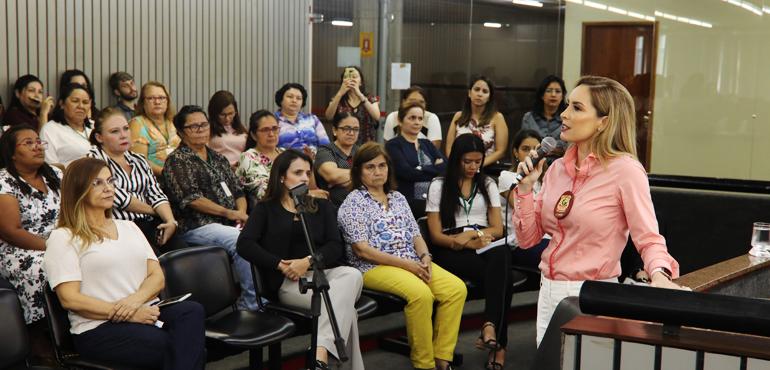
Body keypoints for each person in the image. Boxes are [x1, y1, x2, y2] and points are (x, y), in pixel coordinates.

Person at [513, 75, 686, 347]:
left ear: (603, 122)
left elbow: (649, 238)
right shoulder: (557, 169)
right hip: (547, 291)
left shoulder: (625, 171)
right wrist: (525, 189)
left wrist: (660, 277)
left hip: (592, 296)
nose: (564, 114)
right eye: (568, 105)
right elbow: (527, 239)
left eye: (577, 108)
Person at [43, 157, 206, 369]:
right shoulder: (63, 237)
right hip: (98, 326)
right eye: (97, 183)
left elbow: (156, 277)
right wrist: (131, 313)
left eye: (110, 181)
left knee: (192, 310)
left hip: (145, 309)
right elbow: (70, 300)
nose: (109, 188)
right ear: (77, 189)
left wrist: (134, 303)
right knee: (182, 347)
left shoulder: (129, 226)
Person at [338, 142, 466, 370]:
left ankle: (442, 357)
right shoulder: (353, 203)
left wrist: (425, 256)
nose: (378, 172)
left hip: (411, 261)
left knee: (455, 289)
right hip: (372, 267)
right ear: (358, 171)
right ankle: (424, 364)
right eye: (370, 167)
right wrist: (407, 265)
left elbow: (415, 234)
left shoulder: (397, 197)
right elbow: (362, 250)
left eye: (382, 166)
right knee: (421, 295)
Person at [237, 149, 364, 370]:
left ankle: (319, 354)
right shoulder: (266, 209)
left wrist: (307, 261)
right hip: (291, 282)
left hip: (324, 275)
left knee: (352, 274)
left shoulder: (321, 205)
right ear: (281, 177)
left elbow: (335, 245)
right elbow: (244, 244)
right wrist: (281, 264)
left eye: (307, 172)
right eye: (298, 172)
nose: (305, 178)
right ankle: (323, 359)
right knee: (345, 308)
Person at [425, 133, 509, 370]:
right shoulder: (439, 185)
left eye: (478, 161)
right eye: (467, 162)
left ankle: (491, 326)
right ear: (456, 159)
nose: (474, 167)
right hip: (451, 246)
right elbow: (435, 235)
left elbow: (497, 228)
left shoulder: (488, 184)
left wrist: (473, 235)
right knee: (505, 278)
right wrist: (462, 241)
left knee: (501, 253)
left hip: (482, 237)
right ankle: (497, 343)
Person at [162, 105, 258, 310]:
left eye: (204, 124)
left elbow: (238, 192)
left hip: (229, 222)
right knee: (240, 241)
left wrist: (240, 213)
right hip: (197, 226)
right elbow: (191, 199)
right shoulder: (177, 161)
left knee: (260, 233)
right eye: (193, 126)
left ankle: (267, 295)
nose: (201, 130)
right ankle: (251, 303)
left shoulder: (219, 158)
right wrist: (229, 213)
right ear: (180, 131)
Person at [87, 108, 188, 256]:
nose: (123, 135)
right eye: (115, 131)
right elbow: (119, 198)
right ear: (99, 137)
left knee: (184, 253)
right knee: (154, 260)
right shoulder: (93, 161)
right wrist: (155, 212)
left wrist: (171, 222)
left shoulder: (139, 159)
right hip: (118, 228)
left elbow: (156, 193)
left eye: (126, 129)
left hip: (149, 224)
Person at [0, 124, 62, 359]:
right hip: (18, 250)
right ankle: (36, 335)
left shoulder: (56, 175)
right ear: (12, 153)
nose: (38, 146)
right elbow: (10, 231)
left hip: (60, 242)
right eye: (28, 143)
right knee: (41, 267)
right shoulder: (4, 181)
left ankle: (76, 329)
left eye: (39, 141)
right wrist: (55, 248)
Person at [236, 110, 328, 209]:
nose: (271, 134)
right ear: (254, 135)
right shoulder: (248, 157)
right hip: (268, 211)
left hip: (296, 207)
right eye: (265, 130)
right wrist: (309, 194)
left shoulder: (285, 153)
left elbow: (309, 187)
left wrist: (309, 165)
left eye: (275, 129)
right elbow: (266, 193)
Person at [498, 130, 550, 270]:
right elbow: (529, 213)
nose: (530, 153)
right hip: (521, 242)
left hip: (549, 238)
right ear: (515, 151)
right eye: (525, 149)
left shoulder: (548, 177)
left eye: (535, 149)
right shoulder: (508, 177)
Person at [385, 101, 447, 219]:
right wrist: (434, 171)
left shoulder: (427, 143)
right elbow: (406, 173)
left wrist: (420, 169)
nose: (417, 122)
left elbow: (446, 167)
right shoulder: (393, 145)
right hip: (409, 203)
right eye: (412, 118)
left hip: (436, 199)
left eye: (420, 118)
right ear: (400, 120)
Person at [446, 76, 508, 167]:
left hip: (486, 169)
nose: (480, 94)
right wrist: (459, 165)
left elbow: (500, 152)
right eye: (477, 89)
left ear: (489, 97)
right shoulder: (458, 116)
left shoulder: (497, 118)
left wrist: (476, 166)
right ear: (469, 93)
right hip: (459, 168)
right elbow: (449, 149)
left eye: (485, 91)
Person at [128, 81, 181, 176]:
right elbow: (139, 160)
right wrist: (168, 175)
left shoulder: (175, 121)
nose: (157, 102)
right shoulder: (137, 124)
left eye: (161, 98)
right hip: (154, 179)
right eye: (151, 98)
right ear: (143, 102)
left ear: (167, 101)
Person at [39, 83, 93, 168]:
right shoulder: (50, 129)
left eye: (85, 102)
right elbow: (51, 167)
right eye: (75, 101)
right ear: (62, 104)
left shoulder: (96, 126)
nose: (81, 106)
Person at [314, 111, 361, 207]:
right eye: (346, 129)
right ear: (334, 130)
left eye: (355, 129)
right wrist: (360, 176)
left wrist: (348, 180)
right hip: (333, 208)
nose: (351, 133)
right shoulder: (325, 151)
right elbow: (332, 175)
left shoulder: (362, 151)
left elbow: (374, 177)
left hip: (362, 208)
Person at [325, 66, 381, 144]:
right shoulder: (337, 98)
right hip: (343, 146)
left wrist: (360, 95)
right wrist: (340, 93)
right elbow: (329, 116)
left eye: (354, 77)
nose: (351, 79)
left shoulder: (370, 98)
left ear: (361, 82)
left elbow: (376, 116)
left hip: (366, 147)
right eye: (347, 77)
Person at [521, 75, 569, 160]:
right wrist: (557, 149)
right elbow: (525, 145)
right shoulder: (529, 118)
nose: (553, 95)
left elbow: (569, 148)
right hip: (534, 163)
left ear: (562, 96)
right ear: (542, 95)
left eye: (558, 91)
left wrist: (540, 148)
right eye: (549, 91)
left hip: (560, 165)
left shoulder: (568, 119)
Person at [274, 83, 330, 155]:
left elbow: (325, 145)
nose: (294, 101)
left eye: (298, 98)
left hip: (315, 162)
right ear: (281, 99)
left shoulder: (312, 119)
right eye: (290, 97)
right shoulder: (273, 121)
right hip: (286, 163)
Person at [208, 91, 248, 167]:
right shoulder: (208, 129)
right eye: (223, 115)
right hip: (220, 169)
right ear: (214, 113)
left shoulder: (242, 128)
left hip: (241, 168)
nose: (227, 118)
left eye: (231, 113)